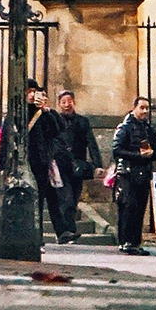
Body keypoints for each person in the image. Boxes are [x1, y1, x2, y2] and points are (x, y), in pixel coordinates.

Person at [0, 78, 71, 244]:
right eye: (27, 92)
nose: (30, 95)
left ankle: (37, 237)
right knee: (2, 196)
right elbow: (7, 139)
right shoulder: (15, 112)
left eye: (33, 92)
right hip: (15, 161)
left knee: (38, 200)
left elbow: (58, 129)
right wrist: (2, 163)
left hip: (38, 162)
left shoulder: (43, 114)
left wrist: (46, 110)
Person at [112, 96, 156, 255]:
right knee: (128, 207)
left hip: (143, 174)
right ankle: (126, 241)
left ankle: (135, 241)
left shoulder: (149, 129)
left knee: (140, 208)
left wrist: (151, 154)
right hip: (127, 173)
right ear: (134, 108)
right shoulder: (125, 128)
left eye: (147, 108)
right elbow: (117, 150)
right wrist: (138, 155)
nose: (145, 111)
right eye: (142, 107)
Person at [55, 90, 101, 245]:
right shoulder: (56, 121)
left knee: (74, 198)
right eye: (64, 102)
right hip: (61, 165)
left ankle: (69, 230)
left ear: (74, 102)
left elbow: (91, 142)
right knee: (66, 198)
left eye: (70, 101)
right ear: (59, 104)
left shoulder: (82, 121)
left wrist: (97, 164)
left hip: (78, 166)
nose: (67, 105)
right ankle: (68, 230)